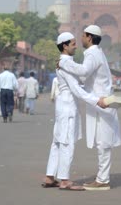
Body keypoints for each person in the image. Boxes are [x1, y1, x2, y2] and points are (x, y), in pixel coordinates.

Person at [58, 25, 121, 191]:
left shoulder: (93, 53)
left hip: (101, 102)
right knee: (102, 141)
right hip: (100, 101)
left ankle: (102, 180)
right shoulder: (95, 53)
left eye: (83, 36)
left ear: (90, 37)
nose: (80, 40)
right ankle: (102, 177)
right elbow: (86, 76)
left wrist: (64, 64)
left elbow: (84, 70)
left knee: (103, 142)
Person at [43, 32, 107, 191]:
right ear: (64, 46)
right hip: (68, 106)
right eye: (72, 44)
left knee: (57, 142)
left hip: (63, 105)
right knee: (66, 142)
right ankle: (64, 180)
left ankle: (50, 177)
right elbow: (76, 89)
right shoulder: (65, 63)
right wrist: (96, 100)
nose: (76, 46)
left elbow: (79, 82)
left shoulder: (64, 62)